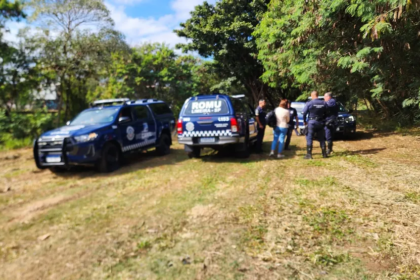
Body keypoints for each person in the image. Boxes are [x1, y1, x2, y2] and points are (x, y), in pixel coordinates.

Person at [302, 91, 328, 159]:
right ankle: (324, 154)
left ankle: (309, 155)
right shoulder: (324, 103)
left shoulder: (309, 103)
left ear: (312, 95)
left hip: (312, 122)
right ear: (317, 95)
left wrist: (304, 121)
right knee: (322, 138)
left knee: (309, 138)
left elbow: (304, 113)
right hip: (320, 122)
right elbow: (327, 113)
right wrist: (323, 119)